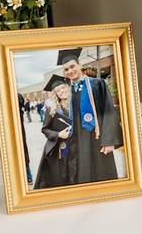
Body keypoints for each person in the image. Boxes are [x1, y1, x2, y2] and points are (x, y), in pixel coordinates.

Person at [58, 48, 123, 184]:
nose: (70, 71)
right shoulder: (71, 91)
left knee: (101, 173)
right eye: (66, 69)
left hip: (97, 138)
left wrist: (109, 141)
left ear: (79, 65)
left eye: (72, 66)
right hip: (79, 141)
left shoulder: (97, 84)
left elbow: (109, 111)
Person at [34, 75, 76, 189]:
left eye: (63, 88)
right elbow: (45, 129)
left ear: (67, 87)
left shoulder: (76, 105)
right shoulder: (52, 109)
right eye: (58, 90)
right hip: (59, 150)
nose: (62, 91)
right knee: (60, 179)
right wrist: (58, 134)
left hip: (75, 148)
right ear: (55, 94)